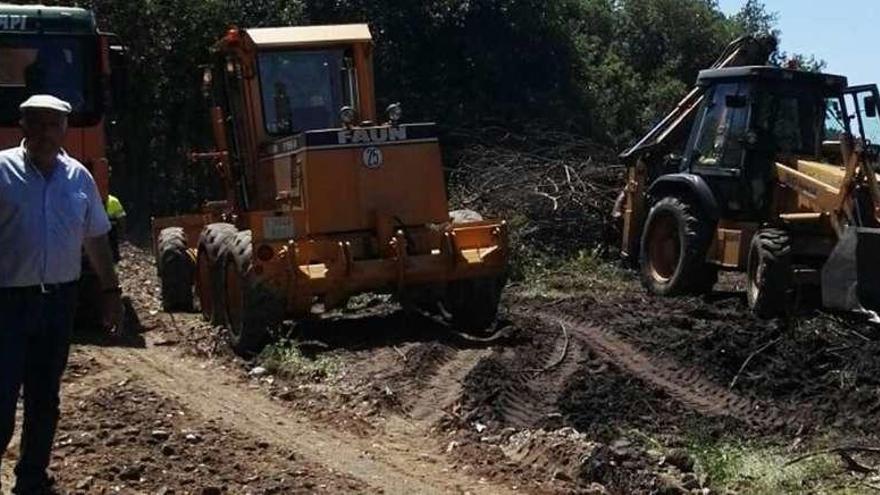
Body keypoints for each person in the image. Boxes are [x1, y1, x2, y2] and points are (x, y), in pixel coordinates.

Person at [0, 95, 123, 494]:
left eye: (55, 125)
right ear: (24, 126)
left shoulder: (78, 178)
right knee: (1, 397)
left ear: (65, 129)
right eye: (38, 124)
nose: (46, 133)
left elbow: (97, 239)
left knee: (44, 397)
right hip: (7, 303)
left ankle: (31, 479)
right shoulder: (1, 171)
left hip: (58, 302)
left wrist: (110, 290)